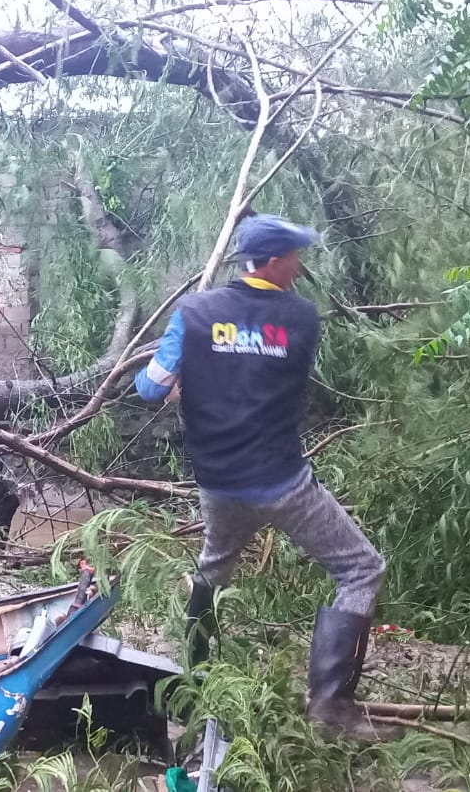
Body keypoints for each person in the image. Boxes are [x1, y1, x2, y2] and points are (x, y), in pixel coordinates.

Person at [134, 213, 388, 740]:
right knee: (362, 569)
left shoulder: (194, 313)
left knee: (212, 572)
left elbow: (151, 388)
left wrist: (190, 376)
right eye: (294, 257)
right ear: (272, 262)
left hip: (218, 483)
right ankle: (330, 706)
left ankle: (194, 686)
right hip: (282, 483)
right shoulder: (302, 319)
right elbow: (273, 381)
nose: (299, 266)